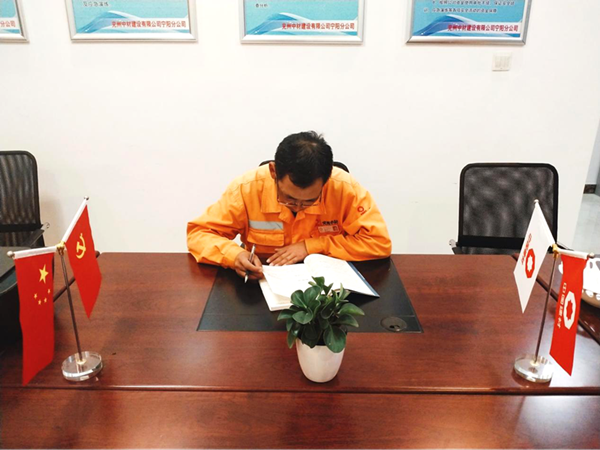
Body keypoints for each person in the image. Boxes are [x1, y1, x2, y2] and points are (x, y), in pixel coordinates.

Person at [187, 131, 392, 280]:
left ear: (327, 178)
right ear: (273, 172)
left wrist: (312, 246)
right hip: (263, 280)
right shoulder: (246, 189)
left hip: (328, 286)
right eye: (289, 199)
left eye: (310, 201)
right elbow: (200, 234)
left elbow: (377, 243)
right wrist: (235, 255)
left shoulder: (345, 189)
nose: (298, 207)